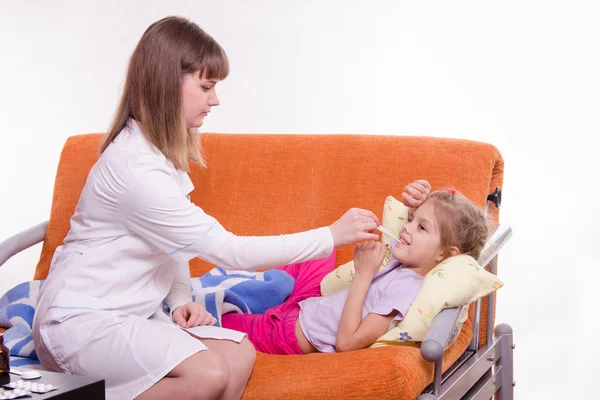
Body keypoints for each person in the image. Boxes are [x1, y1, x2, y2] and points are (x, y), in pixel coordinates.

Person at [32, 16, 384, 400]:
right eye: (206, 86)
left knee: (239, 352)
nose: (215, 99)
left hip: (127, 313)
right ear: (167, 85)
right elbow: (231, 251)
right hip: (80, 321)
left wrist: (181, 299)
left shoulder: (159, 158)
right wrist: (331, 236)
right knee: (208, 374)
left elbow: (172, 243)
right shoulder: (137, 171)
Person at [221, 188, 489, 354]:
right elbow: (431, 218)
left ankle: (236, 300)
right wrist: (418, 198)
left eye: (421, 227)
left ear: (444, 254)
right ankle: (260, 291)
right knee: (324, 250)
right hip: (306, 305)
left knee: (216, 322)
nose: (406, 228)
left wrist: (364, 274)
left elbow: (347, 343)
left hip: (291, 332)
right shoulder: (409, 262)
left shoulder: (407, 290)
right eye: (411, 220)